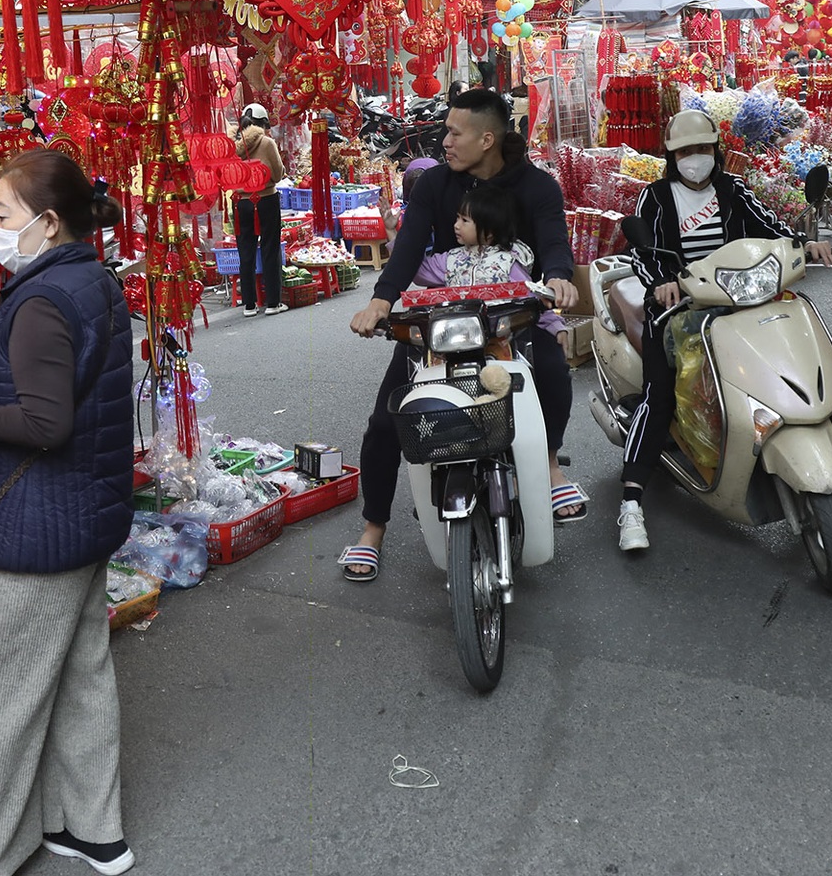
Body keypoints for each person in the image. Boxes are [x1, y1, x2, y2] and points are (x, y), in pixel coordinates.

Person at [0, 149, 135, 876]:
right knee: (79, 671)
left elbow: (44, 423)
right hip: (85, 511)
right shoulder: (91, 278)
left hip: (37, 523)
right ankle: (90, 828)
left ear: (46, 222)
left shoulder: (42, 299)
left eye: (3, 216)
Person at [340, 89, 582, 582]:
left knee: (555, 374)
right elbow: (409, 245)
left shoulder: (537, 186)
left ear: (487, 138)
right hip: (443, 320)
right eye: (445, 130)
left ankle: (551, 464)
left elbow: (554, 240)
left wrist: (557, 277)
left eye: (454, 132)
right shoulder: (433, 184)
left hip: (512, 315)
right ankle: (373, 529)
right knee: (389, 417)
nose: (444, 139)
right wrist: (382, 300)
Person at [618, 110, 832, 554]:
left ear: (715, 151)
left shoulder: (732, 189)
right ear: (671, 156)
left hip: (743, 296)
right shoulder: (655, 197)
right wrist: (661, 282)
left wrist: (801, 241)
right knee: (659, 394)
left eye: (701, 149)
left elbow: (769, 227)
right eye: (684, 152)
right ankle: (631, 501)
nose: (694, 159)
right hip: (678, 302)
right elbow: (642, 253)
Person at [411, 186, 567, 342]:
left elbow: (531, 300)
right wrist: (395, 236)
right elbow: (416, 270)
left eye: (465, 220)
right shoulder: (451, 259)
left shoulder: (508, 263)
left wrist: (555, 325)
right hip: (454, 338)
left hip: (499, 340)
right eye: (457, 218)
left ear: (490, 231)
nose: (456, 225)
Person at [232, 103, 286, 318]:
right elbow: (279, 174)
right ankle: (273, 302)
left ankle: (249, 305)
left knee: (245, 252)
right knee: (270, 249)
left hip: (240, 202)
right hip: (265, 199)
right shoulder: (266, 142)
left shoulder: (232, 145)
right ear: (263, 123)